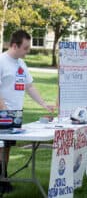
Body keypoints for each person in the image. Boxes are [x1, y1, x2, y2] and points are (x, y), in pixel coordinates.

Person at [0, 30, 55, 193]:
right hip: (3, 113)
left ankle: (4, 178)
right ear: (14, 45)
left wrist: (44, 104)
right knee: (1, 147)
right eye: (25, 48)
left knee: (7, 147)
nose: (28, 51)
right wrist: (3, 108)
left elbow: (29, 86)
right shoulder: (2, 61)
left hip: (16, 114)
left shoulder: (21, 64)